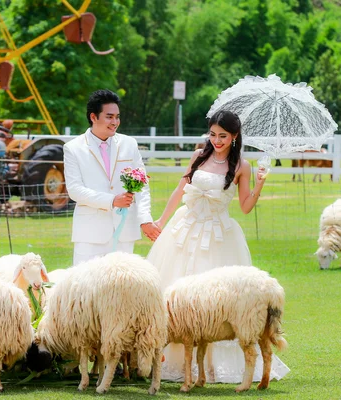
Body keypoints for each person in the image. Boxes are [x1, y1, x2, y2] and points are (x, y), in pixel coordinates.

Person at [147, 110, 290, 383]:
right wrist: (161, 221)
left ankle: (215, 366)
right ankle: (170, 358)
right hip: (185, 228)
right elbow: (179, 191)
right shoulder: (199, 156)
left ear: (234, 137)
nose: (216, 140)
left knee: (218, 300)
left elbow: (246, 207)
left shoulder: (242, 167)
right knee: (174, 291)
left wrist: (259, 184)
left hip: (217, 234)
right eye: (212, 134)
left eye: (223, 136)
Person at [63, 89, 161, 265]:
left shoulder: (129, 144)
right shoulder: (73, 148)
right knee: (87, 287)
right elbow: (75, 190)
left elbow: (142, 185)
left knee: (121, 287)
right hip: (90, 234)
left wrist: (145, 219)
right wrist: (111, 200)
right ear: (93, 117)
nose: (115, 122)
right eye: (109, 116)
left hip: (124, 232)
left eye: (117, 117)